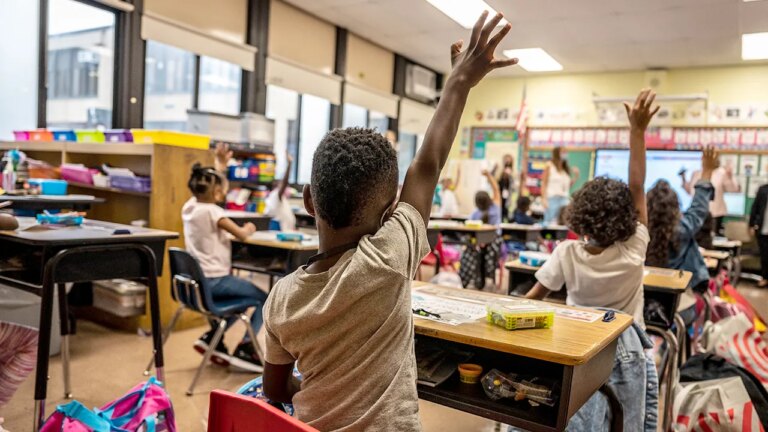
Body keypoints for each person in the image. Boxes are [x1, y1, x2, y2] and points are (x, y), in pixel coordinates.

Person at [261, 12, 517, 432]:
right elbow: (428, 164)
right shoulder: (388, 257)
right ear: (388, 215)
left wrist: (320, 393)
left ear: (308, 201)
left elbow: (274, 388)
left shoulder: (281, 298)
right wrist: (459, 83)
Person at [526, 89, 659, 325]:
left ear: (579, 215)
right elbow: (637, 187)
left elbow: (531, 300)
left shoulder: (566, 252)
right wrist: (638, 131)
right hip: (624, 343)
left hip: (576, 340)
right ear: (626, 216)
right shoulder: (632, 250)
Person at [181, 143, 268, 372]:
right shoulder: (215, 212)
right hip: (217, 281)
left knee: (241, 303)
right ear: (217, 193)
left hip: (199, 283)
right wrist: (249, 228)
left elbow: (210, 184)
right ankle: (246, 347)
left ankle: (213, 337)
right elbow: (241, 234)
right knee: (265, 299)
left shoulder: (189, 207)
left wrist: (219, 165)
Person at [646, 147, 718, 324]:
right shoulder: (683, 230)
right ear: (675, 208)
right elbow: (699, 208)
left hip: (644, 308)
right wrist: (707, 171)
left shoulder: (639, 233)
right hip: (679, 311)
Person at [459, 170, 505, 289]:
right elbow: (496, 189)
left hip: (478, 244)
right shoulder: (495, 207)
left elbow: (467, 228)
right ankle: (488, 276)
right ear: (489, 199)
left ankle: (469, 278)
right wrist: (488, 175)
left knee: (469, 248)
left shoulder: (475, 214)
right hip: (493, 243)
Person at [682, 156, 740, 235]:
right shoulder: (696, 173)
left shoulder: (721, 173)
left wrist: (730, 176)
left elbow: (733, 189)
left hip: (715, 214)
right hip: (697, 213)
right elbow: (691, 191)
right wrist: (683, 179)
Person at [541, 147, 579, 224]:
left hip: (564, 199)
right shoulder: (549, 166)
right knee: (549, 223)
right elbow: (544, 184)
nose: (565, 154)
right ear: (557, 153)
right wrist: (544, 199)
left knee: (564, 222)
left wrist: (576, 176)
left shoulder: (565, 169)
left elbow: (567, 186)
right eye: (563, 152)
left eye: (566, 152)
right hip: (552, 198)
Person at [265, 152, 296, 231]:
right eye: (280, 183)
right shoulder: (276, 195)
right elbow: (285, 181)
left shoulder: (273, 196)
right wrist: (289, 164)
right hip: (281, 229)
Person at [749, 181, 768, 288]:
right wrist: (751, 224)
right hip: (763, 229)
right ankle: (765, 278)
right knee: (764, 255)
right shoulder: (763, 189)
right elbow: (755, 207)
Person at [494, 154, 515, 221]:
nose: (507, 162)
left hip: (508, 197)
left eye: (509, 161)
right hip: (499, 195)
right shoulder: (499, 171)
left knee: (506, 213)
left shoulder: (512, 173)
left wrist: (509, 175)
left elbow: (514, 186)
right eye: (506, 160)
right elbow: (495, 180)